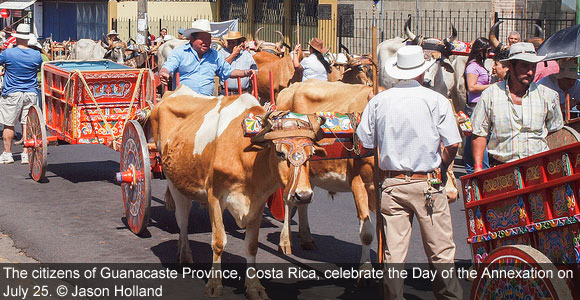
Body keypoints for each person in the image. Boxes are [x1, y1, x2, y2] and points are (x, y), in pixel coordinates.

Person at [356, 45, 463, 300]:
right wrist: (442, 168)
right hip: (427, 183)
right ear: (422, 72)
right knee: (441, 252)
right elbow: (453, 144)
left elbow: (364, 146)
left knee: (394, 254)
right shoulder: (436, 100)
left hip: (392, 184)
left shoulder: (379, 101)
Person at [471, 42, 563, 171]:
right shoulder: (491, 95)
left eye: (533, 66)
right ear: (510, 65)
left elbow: (555, 132)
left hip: (539, 169)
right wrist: (478, 167)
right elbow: (479, 133)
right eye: (524, 66)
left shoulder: (548, 96)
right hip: (501, 171)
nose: (530, 71)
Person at [159, 19, 254, 96]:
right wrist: (164, 72)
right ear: (192, 39)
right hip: (183, 102)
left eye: (208, 38)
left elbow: (228, 71)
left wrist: (245, 72)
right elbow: (169, 65)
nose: (206, 42)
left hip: (206, 104)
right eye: (202, 38)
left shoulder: (215, 55)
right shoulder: (180, 52)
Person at [0, 24, 43, 164]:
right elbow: (38, 67)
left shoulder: (8, 53)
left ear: (16, 37)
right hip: (31, 92)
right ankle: (26, 153)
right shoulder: (36, 55)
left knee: (9, 124)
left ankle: (8, 154)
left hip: (12, 92)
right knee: (27, 124)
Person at [463, 37, 491, 174]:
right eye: (488, 51)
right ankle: (471, 168)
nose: (490, 54)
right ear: (481, 51)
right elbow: (472, 87)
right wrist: (491, 86)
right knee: (474, 138)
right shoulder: (473, 67)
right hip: (474, 106)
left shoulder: (480, 66)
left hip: (480, 105)